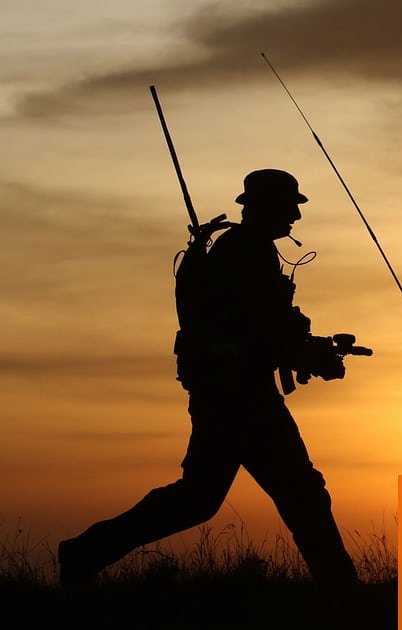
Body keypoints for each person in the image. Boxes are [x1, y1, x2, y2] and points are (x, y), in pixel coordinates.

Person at [58, 169, 358, 585]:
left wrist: (310, 348)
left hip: (233, 392)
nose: (295, 217)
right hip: (238, 397)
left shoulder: (247, 251)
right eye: (289, 207)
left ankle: (85, 551)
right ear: (264, 207)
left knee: (201, 498)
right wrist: (308, 354)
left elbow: (263, 325)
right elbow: (256, 329)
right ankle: (340, 588)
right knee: (298, 492)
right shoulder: (244, 253)